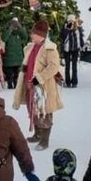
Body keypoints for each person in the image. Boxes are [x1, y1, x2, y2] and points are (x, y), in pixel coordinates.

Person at [14, 21, 64, 149]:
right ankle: (37, 134)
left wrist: (39, 78)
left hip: (43, 87)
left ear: (40, 35)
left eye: (33, 33)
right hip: (30, 85)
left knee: (44, 111)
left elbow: (54, 67)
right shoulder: (31, 47)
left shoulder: (50, 49)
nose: (31, 35)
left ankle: (44, 140)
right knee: (33, 109)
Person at [1, 18, 28, 90]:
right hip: (9, 57)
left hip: (18, 57)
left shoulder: (19, 33)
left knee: (17, 74)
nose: (15, 26)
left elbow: (25, 37)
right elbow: (4, 39)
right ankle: (10, 85)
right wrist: (10, 29)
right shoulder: (7, 32)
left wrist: (20, 28)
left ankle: (16, 85)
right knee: (9, 74)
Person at [60, 15, 84, 88]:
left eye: (72, 20)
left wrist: (82, 45)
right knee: (67, 66)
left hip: (75, 49)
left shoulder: (77, 28)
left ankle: (74, 82)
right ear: (67, 21)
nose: (71, 22)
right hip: (67, 49)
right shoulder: (65, 27)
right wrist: (67, 29)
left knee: (74, 66)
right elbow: (62, 36)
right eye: (69, 20)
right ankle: (67, 82)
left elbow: (80, 37)